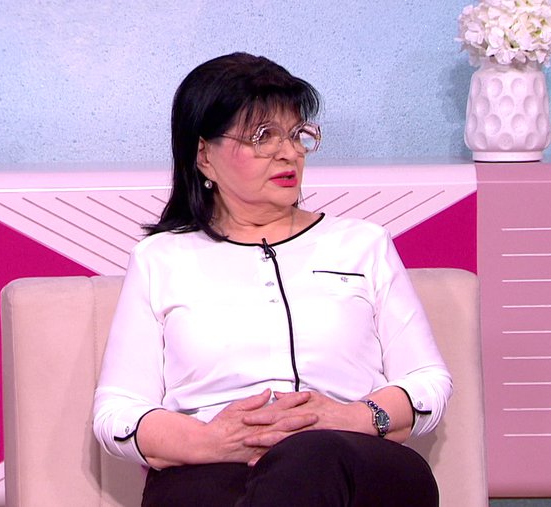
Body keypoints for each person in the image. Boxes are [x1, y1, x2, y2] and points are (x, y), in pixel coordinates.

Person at [93, 52, 452, 507]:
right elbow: (118, 412)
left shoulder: (363, 244)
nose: (289, 152)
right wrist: (209, 440)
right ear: (204, 155)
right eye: (263, 136)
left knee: (311, 457)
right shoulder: (160, 259)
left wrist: (353, 417)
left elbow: (427, 381)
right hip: (212, 466)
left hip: (353, 460)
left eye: (297, 134)